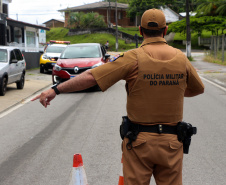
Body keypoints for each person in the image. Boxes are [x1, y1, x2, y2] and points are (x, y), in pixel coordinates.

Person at [32, 9, 204, 185]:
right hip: (172, 143)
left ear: (140, 30)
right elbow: (198, 88)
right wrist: (168, 88)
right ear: (165, 30)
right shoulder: (181, 59)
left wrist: (56, 90)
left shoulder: (133, 57)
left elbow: (92, 77)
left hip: (140, 143)